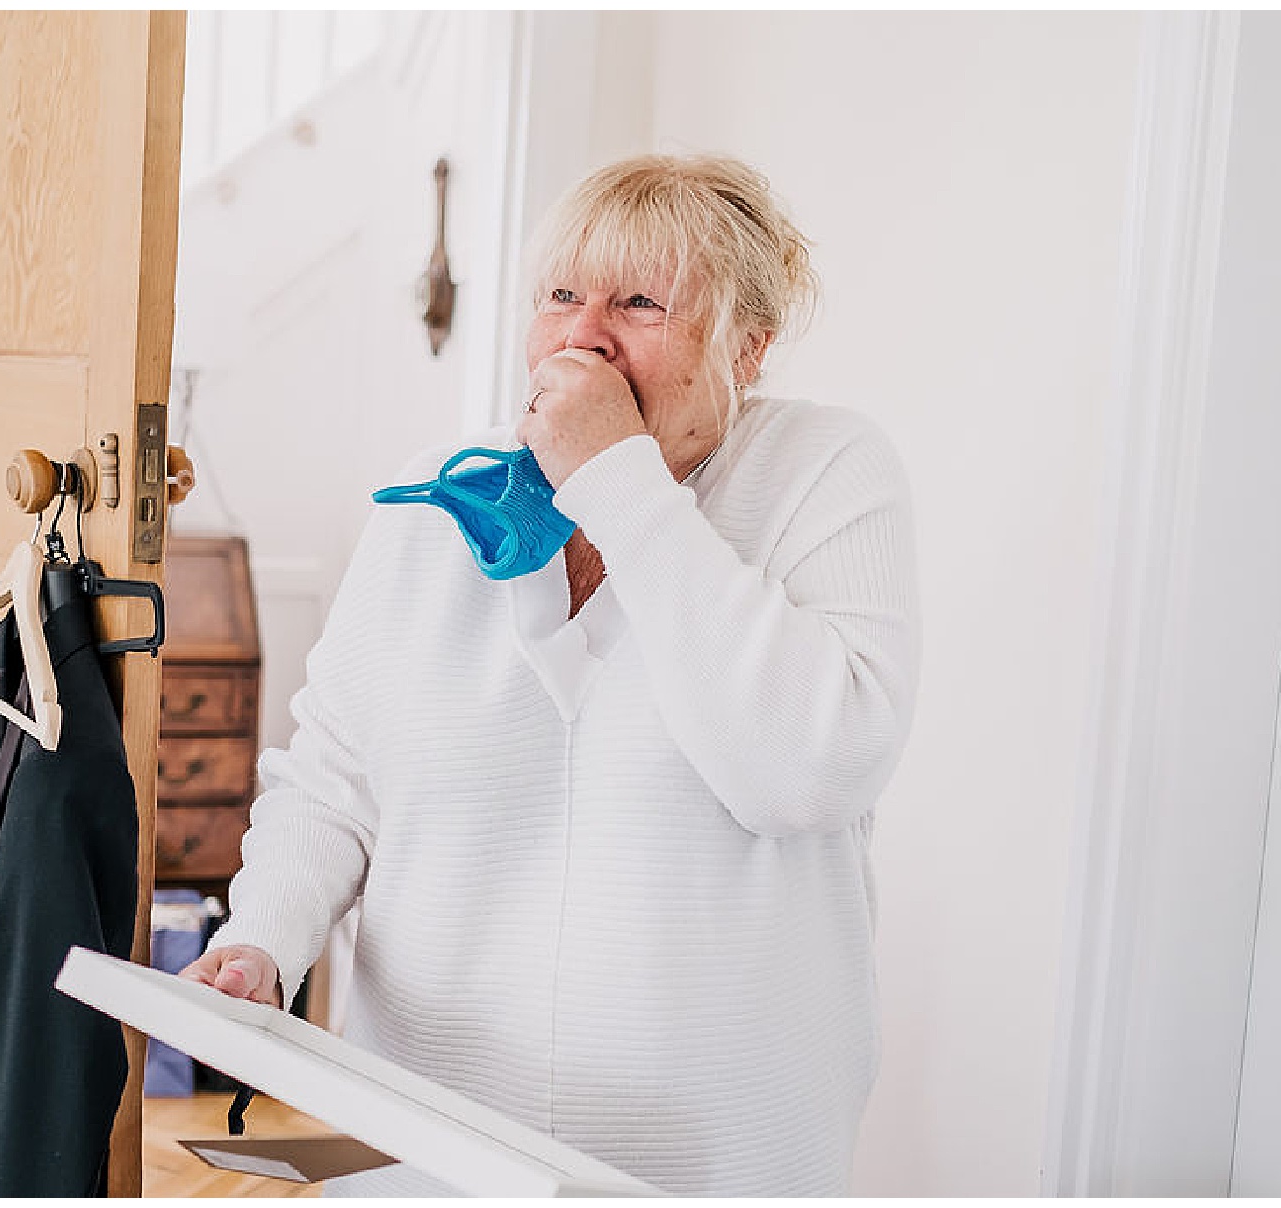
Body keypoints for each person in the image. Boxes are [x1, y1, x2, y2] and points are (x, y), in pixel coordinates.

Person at [179, 153, 921, 1196]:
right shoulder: (445, 495)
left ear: (747, 347)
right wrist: (261, 940)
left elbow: (803, 769)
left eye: (640, 302)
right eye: (562, 296)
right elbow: (334, 781)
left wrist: (617, 477)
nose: (583, 335)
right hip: (427, 1143)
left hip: (712, 1163)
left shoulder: (830, 478)